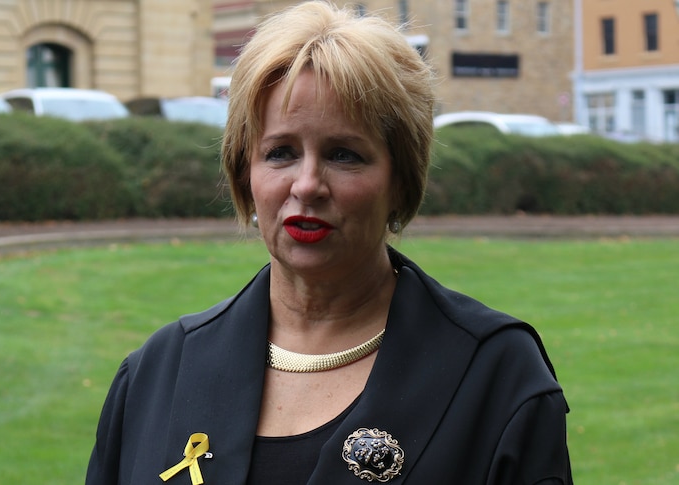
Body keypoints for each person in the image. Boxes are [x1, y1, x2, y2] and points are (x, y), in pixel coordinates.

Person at [86, 1, 572, 483]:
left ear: (401, 180)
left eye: (344, 155)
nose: (307, 184)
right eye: (280, 153)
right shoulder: (157, 376)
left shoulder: (495, 377)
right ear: (244, 174)